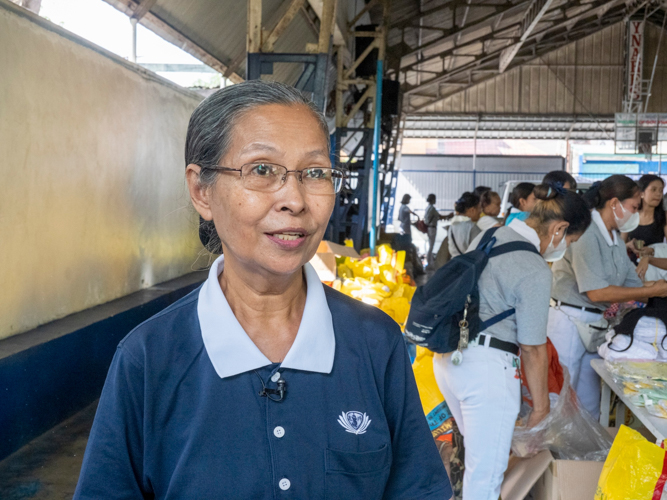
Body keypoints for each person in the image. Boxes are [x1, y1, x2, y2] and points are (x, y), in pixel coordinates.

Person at [73, 81, 451, 499]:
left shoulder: (375, 342)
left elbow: (419, 488)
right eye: (261, 170)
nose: (294, 198)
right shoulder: (149, 357)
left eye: (314, 173)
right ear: (202, 191)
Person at [433, 183, 593, 500]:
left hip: (450, 359)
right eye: (570, 240)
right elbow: (533, 348)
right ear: (560, 228)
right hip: (486, 371)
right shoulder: (533, 267)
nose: (566, 247)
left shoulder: (491, 234)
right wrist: (541, 409)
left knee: (479, 462)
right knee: (486, 480)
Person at [548, 175, 667, 419]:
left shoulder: (613, 238)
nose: (636, 213)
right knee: (559, 400)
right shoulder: (588, 233)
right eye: (634, 207)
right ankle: (552, 455)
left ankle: (581, 456)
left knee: (589, 404)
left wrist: (657, 289)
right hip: (569, 320)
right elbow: (597, 291)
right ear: (615, 203)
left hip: (597, 324)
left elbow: (633, 284)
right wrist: (650, 291)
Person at [623, 175, 667, 262]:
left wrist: (653, 250)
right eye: (653, 190)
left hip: (656, 268)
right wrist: (629, 245)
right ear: (641, 193)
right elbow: (620, 246)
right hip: (632, 268)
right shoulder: (630, 216)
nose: (658, 194)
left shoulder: (664, 216)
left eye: (661, 190)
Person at [448, 192, 481, 258]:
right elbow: (478, 252)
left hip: (454, 264)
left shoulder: (452, 226)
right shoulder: (472, 227)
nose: (480, 212)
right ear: (472, 210)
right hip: (468, 265)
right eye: (479, 208)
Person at [424, 193, 446, 268]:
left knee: (430, 246)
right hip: (432, 228)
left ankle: (429, 262)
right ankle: (430, 263)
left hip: (429, 228)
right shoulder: (432, 209)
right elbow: (439, 216)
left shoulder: (428, 208)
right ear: (433, 200)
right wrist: (449, 216)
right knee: (431, 246)